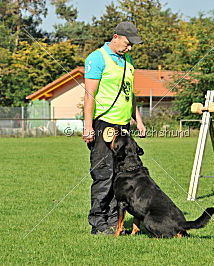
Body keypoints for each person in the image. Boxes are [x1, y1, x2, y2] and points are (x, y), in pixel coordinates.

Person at [82, 21, 146, 235]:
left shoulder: (128, 60)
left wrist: (138, 119)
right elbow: (89, 95)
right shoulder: (97, 58)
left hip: (123, 126)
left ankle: (112, 222)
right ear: (116, 36)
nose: (130, 48)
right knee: (104, 174)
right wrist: (88, 126)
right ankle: (99, 223)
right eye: (128, 44)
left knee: (120, 175)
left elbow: (130, 93)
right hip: (104, 124)